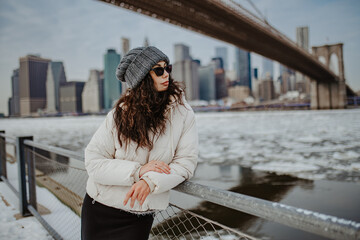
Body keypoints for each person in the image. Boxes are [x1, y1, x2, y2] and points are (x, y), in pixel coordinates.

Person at [81, 46, 199, 240]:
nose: (165, 74)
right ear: (142, 78)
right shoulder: (119, 114)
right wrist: (138, 171)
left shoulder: (184, 114)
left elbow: (186, 163)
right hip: (100, 208)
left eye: (167, 68)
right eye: (158, 70)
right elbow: (93, 162)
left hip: (139, 212)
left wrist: (150, 182)